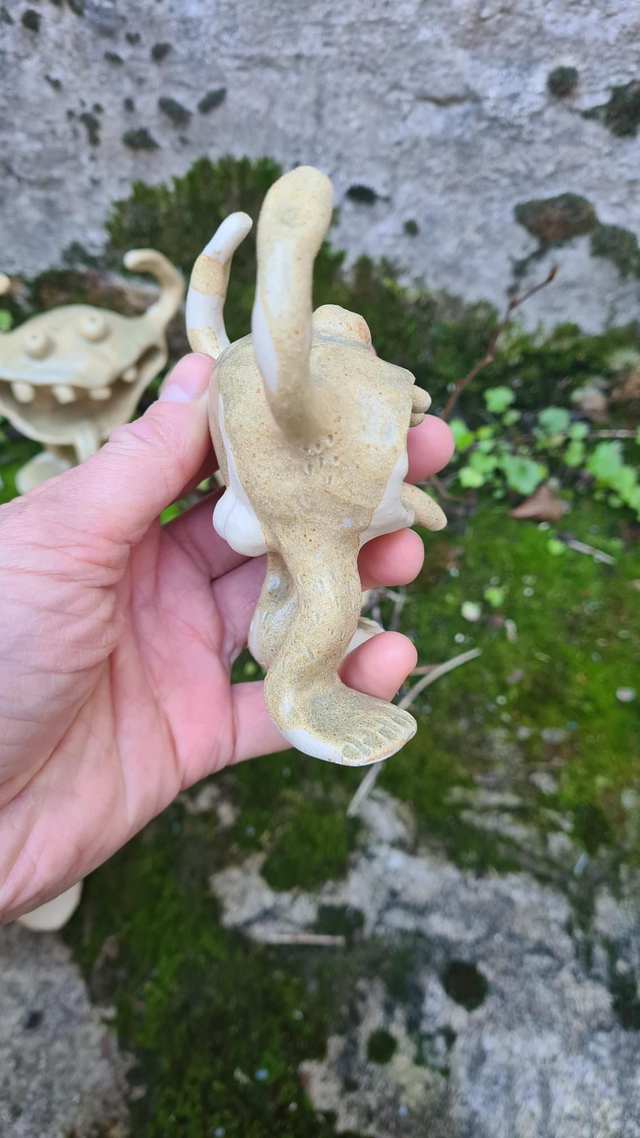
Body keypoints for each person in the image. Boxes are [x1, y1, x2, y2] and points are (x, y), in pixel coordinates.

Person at [0, 353, 454, 924]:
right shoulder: (266, 398)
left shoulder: (332, 389)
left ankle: (292, 659)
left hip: (326, 490)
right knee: (328, 591)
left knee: (317, 586)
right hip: (293, 497)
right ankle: (302, 693)